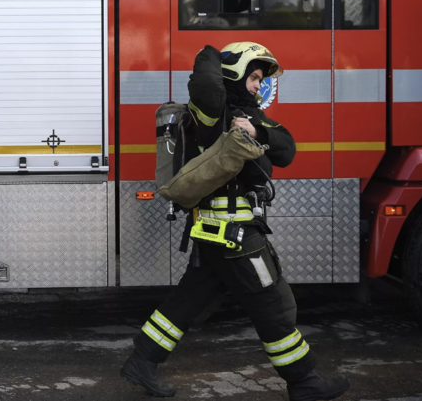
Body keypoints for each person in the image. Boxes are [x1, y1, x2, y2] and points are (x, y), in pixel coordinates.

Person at [119, 42, 350, 401]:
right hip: (233, 236)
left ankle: (141, 360)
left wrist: (257, 131)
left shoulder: (251, 116)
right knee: (275, 304)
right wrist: (214, 50)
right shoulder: (212, 112)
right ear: (235, 74)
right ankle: (304, 383)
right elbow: (206, 84)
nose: (259, 85)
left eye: (261, 78)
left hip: (219, 235)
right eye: (254, 77)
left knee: (189, 301)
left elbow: (287, 150)